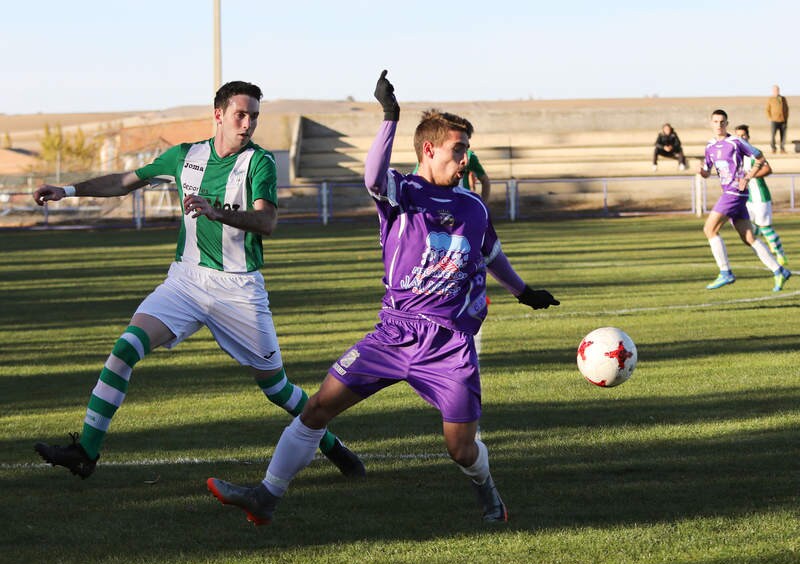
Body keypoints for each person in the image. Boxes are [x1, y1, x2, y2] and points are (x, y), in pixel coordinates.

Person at [206, 70, 560, 525]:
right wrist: (389, 118)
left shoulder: (473, 206)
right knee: (317, 408)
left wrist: (523, 290)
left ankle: (487, 490)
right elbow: (371, 175)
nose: (465, 158)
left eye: (468, 149)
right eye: (459, 149)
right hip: (393, 333)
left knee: (460, 448)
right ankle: (266, 497)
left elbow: (490, 253)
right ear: (429, 149)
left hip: (449, 346)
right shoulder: (402, 192)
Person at [32, 81, 364, 480]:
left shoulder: (260, 163)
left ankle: (332, 445)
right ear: (219, 114)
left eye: (254, 116)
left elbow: (267, 222)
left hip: (238, 288)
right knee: (124, 350)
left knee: (276, 389)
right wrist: (66, 190)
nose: (248, 124)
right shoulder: (185, 156)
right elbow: (125, 181)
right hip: (186, 282)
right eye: (241, 115)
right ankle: (86, 451)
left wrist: (216, 212)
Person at [699, 109, 791, 291]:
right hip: (732, 193)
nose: (719, 125)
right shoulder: (709, 146)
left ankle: (725, 272)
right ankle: (779, 269)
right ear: (711, 123)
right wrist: (702, 172)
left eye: (722, 122)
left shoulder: (735, 142)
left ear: (727, 124)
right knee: (749, 237)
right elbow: (707, 171)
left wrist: (748, 177)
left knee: (709, 229)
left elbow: (760, 157)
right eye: (716, 122)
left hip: (734, 192)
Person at [734, 124, 788, 266]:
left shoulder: (754, 153)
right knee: (745, 226)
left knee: (765, 227)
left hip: (760, 196)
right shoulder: (736, 156)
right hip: (747, 198)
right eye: (738, 136)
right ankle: (768, 253)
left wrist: (750, 176)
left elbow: (768, 169)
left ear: (748, 137)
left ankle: (780, 254)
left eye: (743, 135)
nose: (741, 138)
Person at [765, 85, 789, 154]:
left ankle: (782, 148)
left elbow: (787, 109)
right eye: (775, 90)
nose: (776, 91)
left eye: (777, 90)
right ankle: (773, 148)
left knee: (783, 135)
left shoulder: (783, 98)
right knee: (773, 135)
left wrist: (786, 117)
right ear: (773, 91)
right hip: (774, 120)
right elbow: (767, 109)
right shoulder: (771, 99)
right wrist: (770, 117)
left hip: (783, 120)